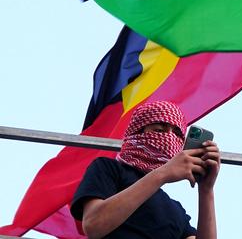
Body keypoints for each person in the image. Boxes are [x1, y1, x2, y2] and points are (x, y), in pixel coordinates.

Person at [71, 100, 220, 239]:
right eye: (159, 130)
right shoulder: (109, 169)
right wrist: (164, 173)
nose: (168, 138)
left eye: (176, 134)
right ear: (137, 133)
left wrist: (206, 190)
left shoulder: (176, 211)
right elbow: (93, 225)